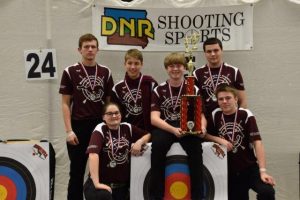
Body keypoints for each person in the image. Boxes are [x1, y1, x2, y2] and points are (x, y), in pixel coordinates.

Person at [59, 33, 114, 200]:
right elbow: (65, 104)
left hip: (99, 127)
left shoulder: (105, 72)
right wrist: (69, 131)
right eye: (86, 47)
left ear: (98, 49)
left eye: (93, 47)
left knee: (98, 172)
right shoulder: (70, 71)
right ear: (79, 50)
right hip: (78, 126)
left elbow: (109, 104)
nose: (90, 50)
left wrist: (109, 129)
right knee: (76, 171)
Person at [149, 52, 206, 200]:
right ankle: (155, 196)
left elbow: (201, 115)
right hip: (166, 126)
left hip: (188, 127)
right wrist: (173, 130)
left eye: (179, 65)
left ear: (185, 68)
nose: (175, 69)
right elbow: (154, 119)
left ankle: (198, 196)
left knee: (196, 151)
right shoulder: (159, 89)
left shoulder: (193, 88)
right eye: (171, 66)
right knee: (157, 150)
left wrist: (203, 128)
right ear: (166, 68)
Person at [205, 84, 276, 200]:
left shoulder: (245, 114)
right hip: (228, 172)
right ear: (217, 101)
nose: (224, 101)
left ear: (236, 99)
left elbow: (257, 143)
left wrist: (263, 171)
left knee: (267, 192)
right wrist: (218, 139)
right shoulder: (215, 115)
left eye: (228, 98)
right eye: (221, 99)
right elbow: (204, 135)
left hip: (249, 168)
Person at [83, 102, 151, 200]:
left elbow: (148, 135)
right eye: (109, 114)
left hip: (121, 187)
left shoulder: (127, 127)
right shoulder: (100, 128)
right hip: (101, 185)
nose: (114, 116)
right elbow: (93, 154)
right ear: (103, 117)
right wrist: (97, 183)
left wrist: (139, 142)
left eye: (116, 113)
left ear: (121, 115)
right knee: (104, 196)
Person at [193, 37, 247, 117]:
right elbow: (195, 102)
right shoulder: (197, 73)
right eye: (209, 51)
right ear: (205, 53)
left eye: (216, 50)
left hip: (229, 119)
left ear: (221, 51)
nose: (213, 54)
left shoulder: (233, 71)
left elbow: (243, 100)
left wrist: (238, 118)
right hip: (206, 121)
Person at [111, 49, 158, 131]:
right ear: (125, 64)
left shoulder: (151, 83)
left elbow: (157, 109)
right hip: (126, 131)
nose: (133, 67)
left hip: (149, 131)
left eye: (136, 63)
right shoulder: (117, 88)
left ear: (141, 64)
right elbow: (114, 114)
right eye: (129, 63)